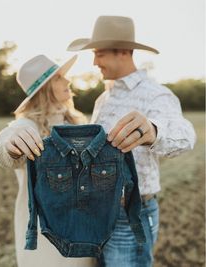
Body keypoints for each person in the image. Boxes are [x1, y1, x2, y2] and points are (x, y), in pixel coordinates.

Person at [67, 15, 196, 267]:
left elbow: (185, 135)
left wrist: (154, 132)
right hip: (98, 213)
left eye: (99, 54)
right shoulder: (103, 99)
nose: (94, 62)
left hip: (129, 215)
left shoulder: (156, 94)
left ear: (124, 52)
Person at [0, 54, 97, 267]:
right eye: (59, 77)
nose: (68, 81)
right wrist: (10, 145)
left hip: (82, 227)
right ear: (45, 87)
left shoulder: (77, 120)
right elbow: (7, 144)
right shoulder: (29, 125)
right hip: (44, 234)